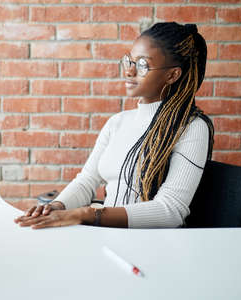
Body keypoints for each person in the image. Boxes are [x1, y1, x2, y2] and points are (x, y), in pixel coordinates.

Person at [14, 22, 214, 229]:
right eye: (130, 61)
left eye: (143, 65)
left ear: (172, 75)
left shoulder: (191, 127)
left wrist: (87, 214)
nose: (130, 71)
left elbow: (170, 210)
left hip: (151, 244)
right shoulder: (117, 122)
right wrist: (57, 206)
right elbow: (87, 181)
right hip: (107, 235)